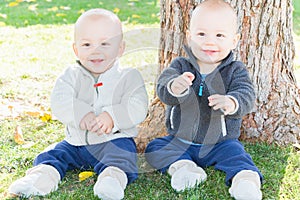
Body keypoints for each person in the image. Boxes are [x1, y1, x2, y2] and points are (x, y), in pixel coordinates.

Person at [8, 8, 148, 200]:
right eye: (87, 44)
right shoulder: (70, 76)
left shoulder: (128, 76)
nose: (96, 51)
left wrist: (112, 116)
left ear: (121, 48)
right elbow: (60, 100)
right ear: (76, 49)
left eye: (105, 43)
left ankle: (111, 180)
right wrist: (81, 114)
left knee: (123, 156)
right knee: (53, 154)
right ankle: (41, 179)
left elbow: (138, 105)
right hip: (75, 142)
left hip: (113, 141)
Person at [145, 0, 263, 199]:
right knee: (155, 148)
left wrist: (232, 102)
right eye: (201, 34)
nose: (210, 42)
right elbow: (163, 88)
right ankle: (184, 169)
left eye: (219, 35)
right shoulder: (180, 66)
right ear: (190, 38)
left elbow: (246, 94)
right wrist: (175, 86)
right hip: (180, 140)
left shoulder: (235, 70)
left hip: (220, 143)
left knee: (238, 156)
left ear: (234, 41)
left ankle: (245, 181)